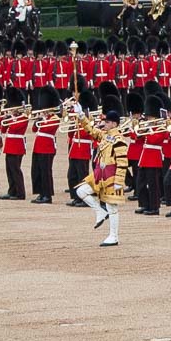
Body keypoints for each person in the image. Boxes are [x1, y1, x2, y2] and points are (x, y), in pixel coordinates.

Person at [72, 100, 130, 247]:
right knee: (81, 191)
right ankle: (99, 211)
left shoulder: (119, 140)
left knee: (112, 208)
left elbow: (123, 162)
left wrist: (119, 181)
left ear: (115, 124)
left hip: (111, 176)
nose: (105, 124)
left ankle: (113, 236)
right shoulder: (105, 135)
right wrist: (80, 115)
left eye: (108, 122)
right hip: (99, 174)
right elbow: (91, 130)